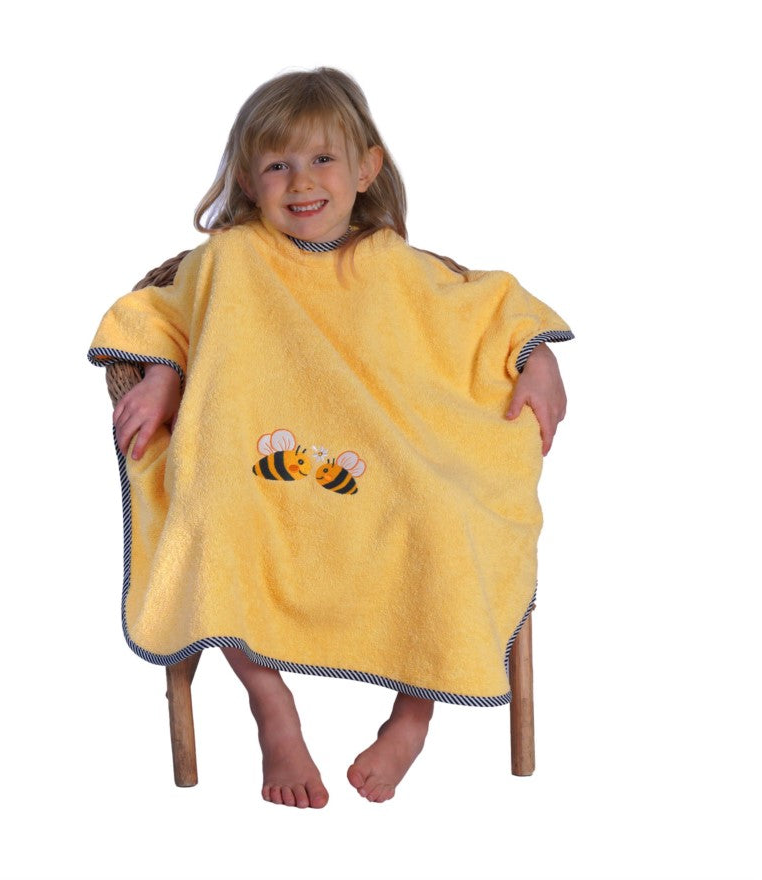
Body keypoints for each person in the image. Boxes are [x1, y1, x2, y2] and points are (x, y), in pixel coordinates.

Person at [89, 68, 572, 809]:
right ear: (248, 180)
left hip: (382, 448)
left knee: (439, 515)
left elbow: (490, 309)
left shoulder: (393, 265)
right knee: (211, 515)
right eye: (277, 165)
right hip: (252, 448)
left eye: (322, 159)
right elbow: (158, 313)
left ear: (366, 168)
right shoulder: (230, 259)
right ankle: (270, 705)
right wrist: (163, 374)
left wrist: (537, 360)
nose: (302, 182)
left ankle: (412, 717)